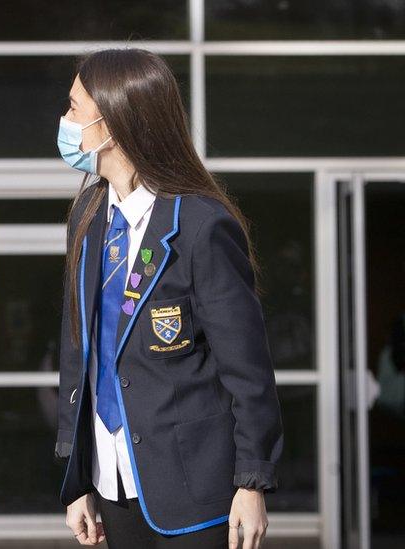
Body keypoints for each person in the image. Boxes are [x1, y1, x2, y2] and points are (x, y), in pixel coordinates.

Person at [54, 49, 284, 549]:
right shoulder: (88, 217)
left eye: (73, 108)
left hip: (195, 483)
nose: (64, 121)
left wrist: (251, 481)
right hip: (110, 476)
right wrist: (77, 479)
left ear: (111, 122)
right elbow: (79, 353)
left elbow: (246, 368)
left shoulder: (200, 225)